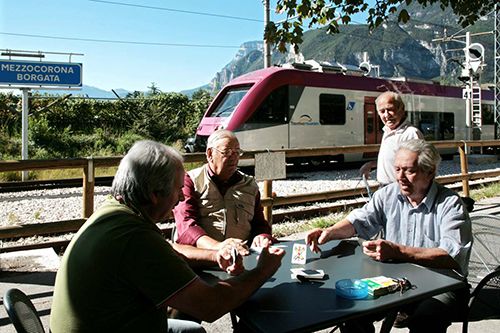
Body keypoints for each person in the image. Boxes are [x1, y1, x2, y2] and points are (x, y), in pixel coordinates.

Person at [50, 140, 285, 333]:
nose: (181, 199)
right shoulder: (136, 239)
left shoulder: (115, 212)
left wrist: (215, 255)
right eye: (176, 190)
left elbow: (168, 247)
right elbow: (210, 305)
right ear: (154, 194)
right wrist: (263, 270)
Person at [306, 139, 471, 333]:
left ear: (430, 172)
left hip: (442, 283)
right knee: (351, 310)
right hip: (395, 279)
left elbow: (451, 256)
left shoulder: (450, 204)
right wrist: (331, 231)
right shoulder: (389, 194)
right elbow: (360, 220)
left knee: (426, 321)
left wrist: (397, 251)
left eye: (409, 170)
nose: (400, 177)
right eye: (397, 169)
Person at [173, 129, 274, 252]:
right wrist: (218, 247)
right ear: (210, 154)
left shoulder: (249, 185)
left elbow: (260, 225)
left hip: (242, 256)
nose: (234, 158)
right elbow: (186, 225)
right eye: (227, 152)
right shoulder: (191, 180)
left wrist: (262, 236)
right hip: (200, 258)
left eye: (237, 152)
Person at [360, 91, 424, 186]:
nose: (386, 115)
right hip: (384, 187)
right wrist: (372, 165)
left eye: (390, 109)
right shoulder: (387, 130)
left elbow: (420, 167)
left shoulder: (411, 134)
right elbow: (393, 159)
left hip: (400, 189)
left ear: (401, 109)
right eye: (382, 111)